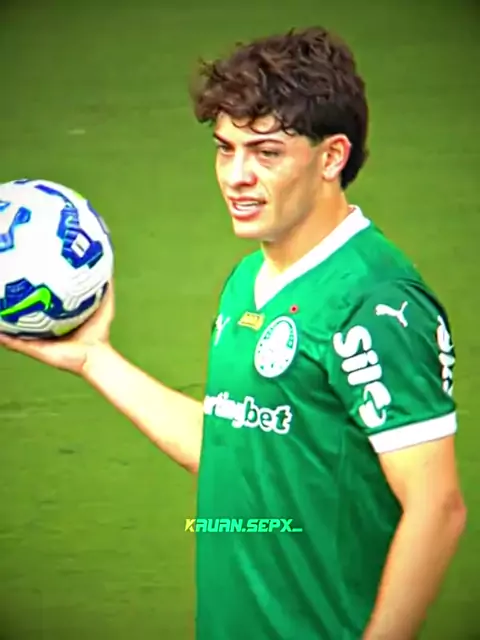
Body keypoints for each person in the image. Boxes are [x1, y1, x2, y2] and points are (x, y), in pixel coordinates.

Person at [0, 26, 467, 640]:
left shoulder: (374, 302)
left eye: (266, 153)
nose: (236, 176)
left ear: (332, 157)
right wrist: (94, 359)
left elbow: (437, 509)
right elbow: (236, 447)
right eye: (226, 149)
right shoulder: (249, 279)